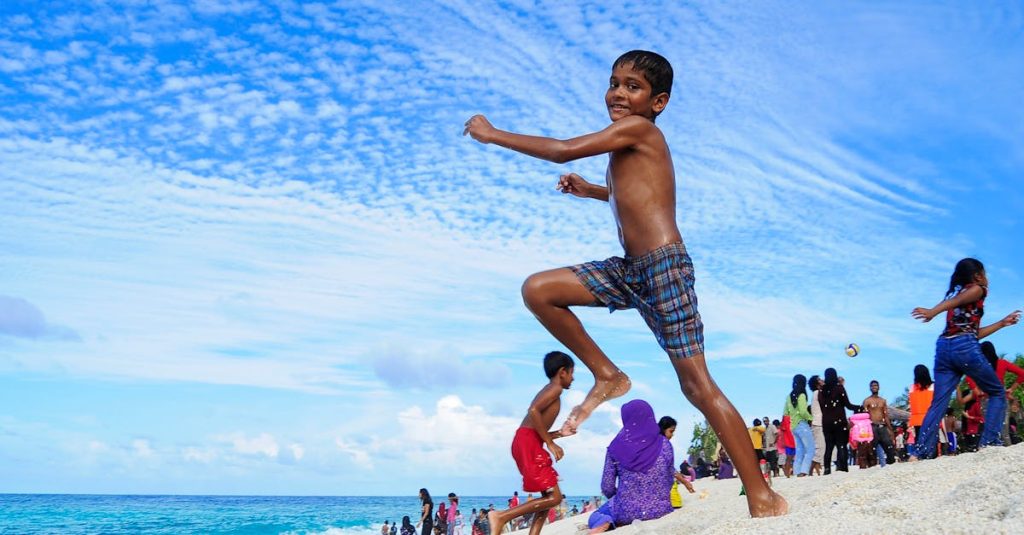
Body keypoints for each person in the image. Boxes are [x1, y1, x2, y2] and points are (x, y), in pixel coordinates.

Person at [463, 50, 787, 518]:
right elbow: (633, 195)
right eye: (614, 82)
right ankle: (607, 374)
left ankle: (761, 495)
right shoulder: (625, 143)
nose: (617, 92)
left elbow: (561, 148)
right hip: (628, 270)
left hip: (663, 269)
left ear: (658, 102)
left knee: (696, 385)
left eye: (632, 86)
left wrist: (492, 135)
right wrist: (592, 191)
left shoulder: (641, 130)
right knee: (539, 289)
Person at [910, 258, 1021, 459]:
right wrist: (932, 311)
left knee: (938, 403)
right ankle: (989, 443)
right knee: (997, 392)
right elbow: (962, 321)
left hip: (944, 347)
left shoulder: (959, 296)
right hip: (964, 348)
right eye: (984, 274)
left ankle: (919, 453)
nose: (987, 279)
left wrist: (1002, 323)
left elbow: (974, 332)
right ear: (978, 275)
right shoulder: (978, 289)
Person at [487, 351, 574, 535]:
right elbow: (533, 410)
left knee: (546, 498)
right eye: (572, 373)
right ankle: (501, 516)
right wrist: (550, 444)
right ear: (562, 372)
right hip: (528, 443)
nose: (573, 379)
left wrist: (559, 433)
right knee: (555, 498)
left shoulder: (550, 390)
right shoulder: (555, 389)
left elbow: (535, 430)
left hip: (525, 441)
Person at [601, 400, 680, 525]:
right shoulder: (665, 444)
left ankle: (608, 524)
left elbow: (607, 487)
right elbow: (669, 479)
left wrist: (625, 499)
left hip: (626, 513)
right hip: (662, 510)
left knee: (596, 516)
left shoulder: (616, 447)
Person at [968, 341, 1024, 445]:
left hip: (986, 398)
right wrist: (1012, 389)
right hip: (1001, 397)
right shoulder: (1002, 363)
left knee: (989, 426)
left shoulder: (980, 366)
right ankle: (1005, 449)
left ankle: (987, 446)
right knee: (1004, 428)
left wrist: (976, 390)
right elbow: (1022, 374)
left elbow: (968, 376)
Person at [819, 368, 861, 473]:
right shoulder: (839, 388)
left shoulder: (822, 391)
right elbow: (848, 405)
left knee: (829, 447)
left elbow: (822, 407)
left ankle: (827, 469)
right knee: (841, 445)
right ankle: (843, 468)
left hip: (826, 423)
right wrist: (859, 408)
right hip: (839, 421)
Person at [658, 415, 695, 509]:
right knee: (676, 500)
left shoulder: (654, 442)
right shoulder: (664, 444)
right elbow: (671, 469)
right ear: (663, 429)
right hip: (665, 485)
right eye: (671, 431)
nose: (672, 435)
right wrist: (685, 482)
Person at [783, 375, 814, 477]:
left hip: (793, 426)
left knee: (799, 450)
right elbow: (803, 412)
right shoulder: (802, 395)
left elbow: (786, 413)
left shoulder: (789, 396)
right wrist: (811, 418)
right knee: (810, 449)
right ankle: (804, 471)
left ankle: (797, 471)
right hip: (802, 424)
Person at [862, 380, 896, 467]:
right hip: (872, 426)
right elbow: (864, 416)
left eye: (876, 385)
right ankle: (871, 468)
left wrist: (890, 429)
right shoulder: (867, 401)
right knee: (871, 450)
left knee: (889, 447)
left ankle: (891, 465)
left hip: (882, 427)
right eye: (872, 386)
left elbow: (886, 415)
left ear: (879, 387)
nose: (874, 387)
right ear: (870, 388)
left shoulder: (883, 401)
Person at [908, 364, 934, 442]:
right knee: (931, 442)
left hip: (917, 420)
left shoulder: (911, 388)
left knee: (919, 442)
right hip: (931, 418)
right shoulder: (933, 386)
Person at [808, 375, 825, 476]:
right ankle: (809, 470)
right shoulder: (817, 393)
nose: (822, 380)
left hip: (819, 423)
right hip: (818, 423)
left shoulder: (817, 393)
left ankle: (815, 469)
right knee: (820, 448)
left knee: (820, 447)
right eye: (819, 379)